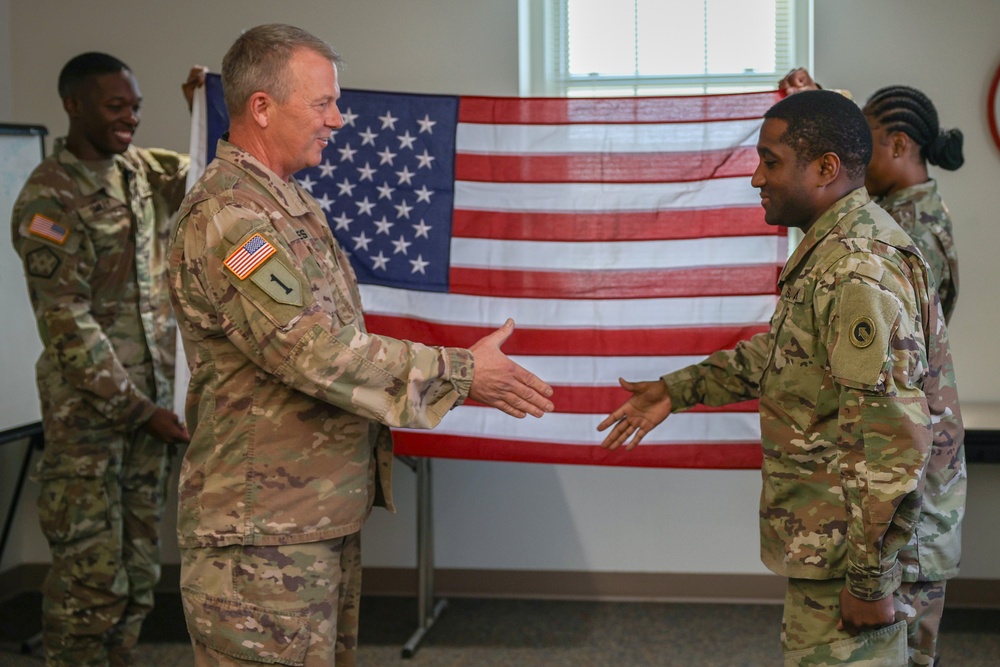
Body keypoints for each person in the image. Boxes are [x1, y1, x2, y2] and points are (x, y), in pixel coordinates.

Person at [168, 24, 554, 667]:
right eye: (322, 104)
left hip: (309, 518)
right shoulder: (230, 218)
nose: (338, 120)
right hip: (259, 535)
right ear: (261, 106)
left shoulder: (289, 205)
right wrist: (460, 371)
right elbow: (312, 350)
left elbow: (338, 339)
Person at [598, 90, 965, 665]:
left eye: (770, 162)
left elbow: (890, 437)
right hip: (841, 544)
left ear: (824, 169)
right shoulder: (832, 251)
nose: (755, 178)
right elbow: (787, 355)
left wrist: (869, 581)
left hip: (860, 557)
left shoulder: (856, 267)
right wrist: (680, 388)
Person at [11, 53, 204, 666]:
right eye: (115, 107)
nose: (130, 119)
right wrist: (139, 407)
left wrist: (204, 109)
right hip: (91, 421)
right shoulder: (49, 198)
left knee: (140, 575)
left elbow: (220, 182)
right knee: (89, 582)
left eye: (137, 107)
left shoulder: (144, 172)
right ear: (73, 105)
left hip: (150, 415)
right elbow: (68, 324)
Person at [780, 68, 964, 323]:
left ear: (899, 145)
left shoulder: (913, 232)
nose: (857, 153)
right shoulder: (896, 205)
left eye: (865, 144)